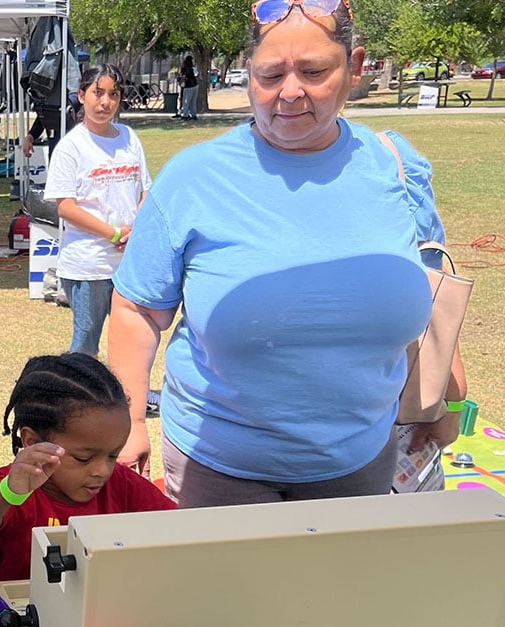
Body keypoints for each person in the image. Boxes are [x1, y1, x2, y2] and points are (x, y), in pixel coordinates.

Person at [107, 0, 465, 506]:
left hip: (361, 460)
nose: (290, 92)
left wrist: (448, 398)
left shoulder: (397, 167)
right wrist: (129, 421)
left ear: (354, 67)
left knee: (341, 588)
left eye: (314, 71)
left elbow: (430, 291)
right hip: (219, 467)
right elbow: (137, 309)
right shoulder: (194, 178)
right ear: (248, 74)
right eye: (271, 74)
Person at [0, 353, 176, 581]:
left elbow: (179, 528)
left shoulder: (122, 484)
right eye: (84, 458)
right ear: (33, 442)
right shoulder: (18, 488)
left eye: (113, 455)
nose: (103, 470)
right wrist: (7, 495)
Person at [44, 65, 150, 356]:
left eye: (113, 94)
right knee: (85, 344)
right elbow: (65, 207)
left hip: (128, 262)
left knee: (131, 340)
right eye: (98, 93)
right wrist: (113, 232)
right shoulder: (71, 147)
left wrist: (134, 231)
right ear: (81, 96)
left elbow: (145, 190)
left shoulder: (129, 138)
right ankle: (78, 400)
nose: (105, 102)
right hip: (89, 264)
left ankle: (129, 397)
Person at [179, 55, 199, 120]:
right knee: (193, 101)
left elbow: (184, 77)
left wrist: (180, 82)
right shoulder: (193, 68)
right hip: (195, 85)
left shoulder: (185, 68)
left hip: (188, 86)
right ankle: (193, 115)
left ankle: (185, 115)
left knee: (186, 101)